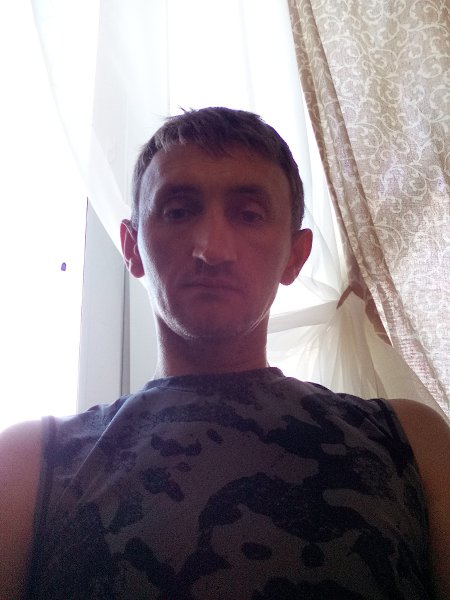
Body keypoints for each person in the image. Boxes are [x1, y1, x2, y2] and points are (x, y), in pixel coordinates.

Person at [1, 107, 449, 600]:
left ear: (296, 256)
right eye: (178, 211)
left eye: (249, 214)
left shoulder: (414, 442)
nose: (212, 249)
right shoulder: (28, 465)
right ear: (131, 246)